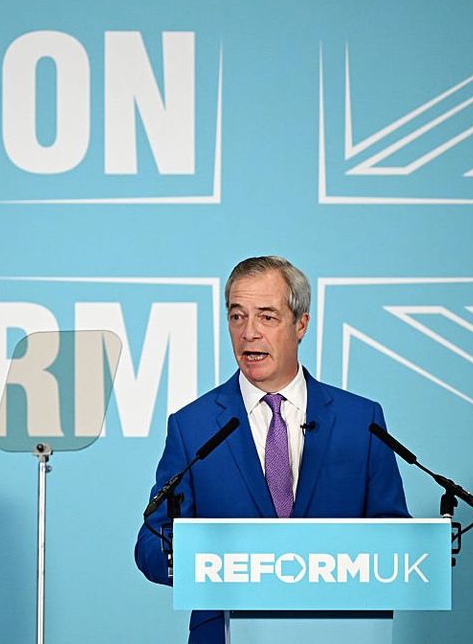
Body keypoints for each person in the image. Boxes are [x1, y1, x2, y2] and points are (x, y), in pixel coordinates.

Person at [135, 256, 409, 644]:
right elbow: (151, 540)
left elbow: (395, 537)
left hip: (341, 631)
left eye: (267, 317)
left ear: (301, 324)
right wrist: (204, 563)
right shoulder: (192, 427)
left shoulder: (360, 421)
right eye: (237, 317)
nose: (249, 333)